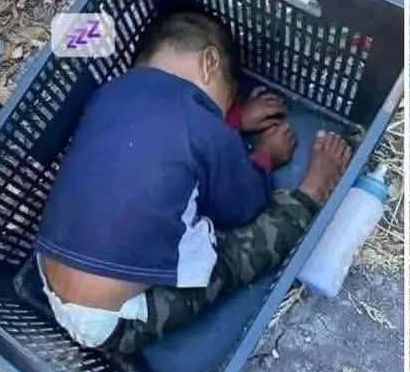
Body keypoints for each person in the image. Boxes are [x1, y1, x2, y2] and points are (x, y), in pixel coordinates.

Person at [33, 12, 351, 354]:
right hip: (113, 322)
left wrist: (232, 120)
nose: (221, 115)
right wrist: (265, 156)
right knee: (231, 256)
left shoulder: (108, 94)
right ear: (209, 63)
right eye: (228, 101)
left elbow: (159, 140)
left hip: (49, 274)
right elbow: (241, 207)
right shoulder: (205, 125)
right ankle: (310, 195)